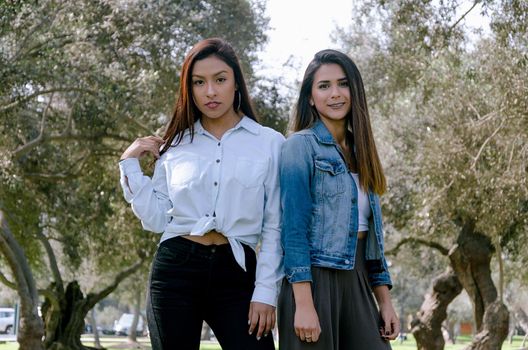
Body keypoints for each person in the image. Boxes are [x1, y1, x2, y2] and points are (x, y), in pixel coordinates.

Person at [118, 38, 283, 350]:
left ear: (236, 84)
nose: (210, 91)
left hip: (238, 270)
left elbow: (275, 226)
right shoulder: (176, 145)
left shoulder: (270, 144)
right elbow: (155, 219)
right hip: (176, 269)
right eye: (199, 82)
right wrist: (129, 163)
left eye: (220, 80)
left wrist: (265, 292)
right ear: (189, 88)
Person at [278, 49, 400, 349]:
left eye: (343, 84)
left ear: (354, 90)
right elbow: (293, 230)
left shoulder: (363, 152)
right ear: (310, 97)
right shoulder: (299, 146)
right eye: (324, 86)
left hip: (359, 279)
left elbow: (374, 238)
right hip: (314, 280)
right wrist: (304, 303)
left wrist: (385, 301)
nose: (335, 93)